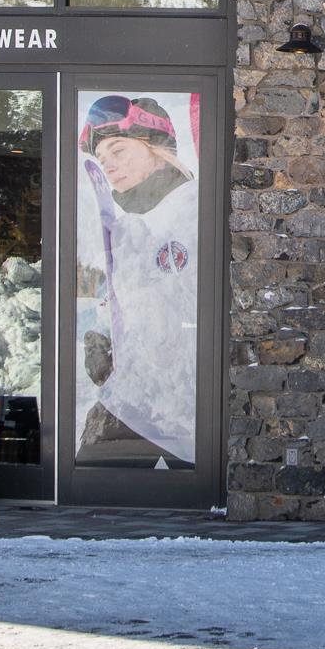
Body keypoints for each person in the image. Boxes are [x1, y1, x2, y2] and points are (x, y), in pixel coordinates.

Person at [77, 94, 197, 465]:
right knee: (97, 483)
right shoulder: (130, 222)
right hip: (134, 390)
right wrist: (102, 332)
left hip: (174, 391)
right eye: (102, 158)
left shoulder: (188, 212)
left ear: (155, 146)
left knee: (98, 479)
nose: (109, 166)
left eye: (119, 150)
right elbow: (120, 289)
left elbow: (189, 300)